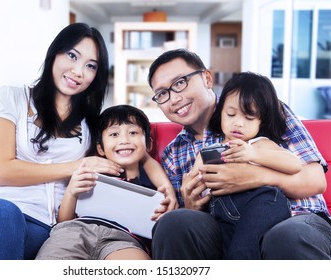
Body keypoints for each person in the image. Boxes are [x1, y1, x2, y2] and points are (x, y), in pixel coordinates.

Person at [0, 23, 129, 260]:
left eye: (90, 66)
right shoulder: (11, 97)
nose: (78, 71)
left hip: (40, 226)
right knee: (5, 214)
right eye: (72, 56)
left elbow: (125, 156)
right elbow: (2, 172)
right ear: (55, 53)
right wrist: (77, 166)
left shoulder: (91, 124)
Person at [148, 48, 330, 260]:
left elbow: (316, 180)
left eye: (180, 83)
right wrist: (192, 204)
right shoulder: (174, 153)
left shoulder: (261, 108)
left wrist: (256, 177)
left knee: (285, 236)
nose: (174, 98)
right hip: (227, 229)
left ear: (206, 78)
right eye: (162, 93)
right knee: (173, 224)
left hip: (295, 218)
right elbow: (194, 221)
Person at [35, 105, 177, 260]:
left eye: (133, 133)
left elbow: (151, 165)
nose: (124, 140)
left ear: (148, 144)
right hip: (74, 231)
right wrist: (71, 191)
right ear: (100, 149)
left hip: (123, 239)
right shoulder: (93, 170)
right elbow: (63, 221)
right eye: (114, 134)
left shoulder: (149, 171)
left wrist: (168, 190)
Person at [194, 72, 302, 259]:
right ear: (220, 113)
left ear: (261, 121)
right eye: (231, 114)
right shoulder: (209, 150)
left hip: (262, 204)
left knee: (241, 253)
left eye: (249, 118)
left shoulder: (258, 143)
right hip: (222, 213)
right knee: (228, 255)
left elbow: (295, 164)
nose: (238, 123)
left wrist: (253, 154)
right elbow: (196, 181)